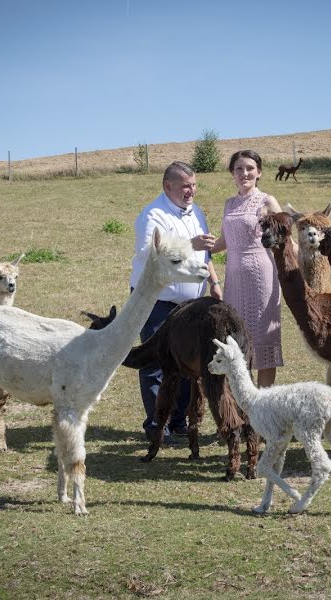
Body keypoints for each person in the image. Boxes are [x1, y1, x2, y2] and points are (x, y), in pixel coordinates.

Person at [130, 161, 222, 444]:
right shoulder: (153, 215)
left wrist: (214, 282)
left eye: (193, 185)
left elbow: (205, 255)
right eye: (184, 186)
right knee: (157, 363)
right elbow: (149, 254)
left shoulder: (198, 213)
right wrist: (188, 244)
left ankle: (179, 421)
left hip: (190, 303)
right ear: (167, 186)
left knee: (188, 363)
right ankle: (158, 424)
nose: (190, 191)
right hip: (159, 300)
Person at [211, 150, 283, 387]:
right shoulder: (229, 204)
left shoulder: (267, 201)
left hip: (262, 278)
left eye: (250, 168)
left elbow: (286, 241)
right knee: (237, 344)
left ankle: (263, 407)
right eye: (239, 169)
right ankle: (243, 408)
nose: (245, 173)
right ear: (232, 173)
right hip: (233, 280)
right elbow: (224, 242)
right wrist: (194, 247)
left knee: (263, 342)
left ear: (259, 172)